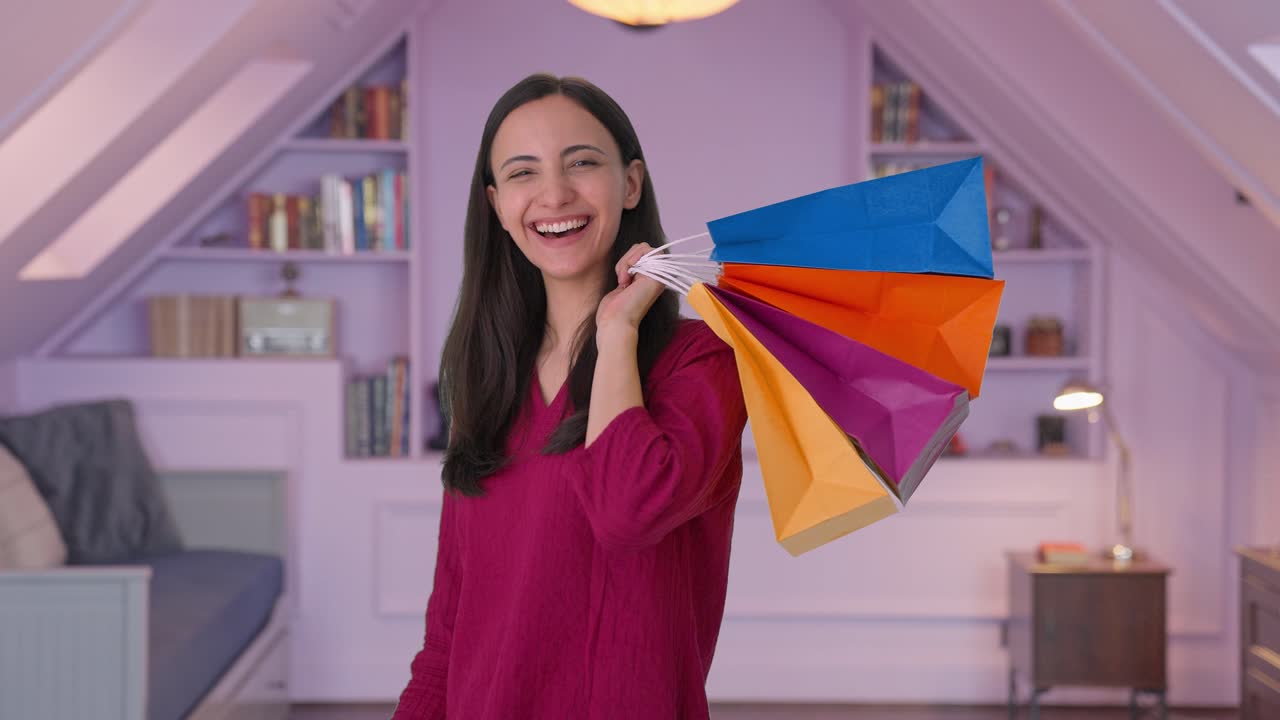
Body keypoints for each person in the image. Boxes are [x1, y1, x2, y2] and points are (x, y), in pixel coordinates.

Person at [391, 73, 748, 719]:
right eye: (523, 172)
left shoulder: (701, 361)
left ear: (630, 183)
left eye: (581, 162)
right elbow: (450, 631)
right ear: (498, 204)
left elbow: (627, 513)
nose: (554, 193)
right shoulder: (487, 374)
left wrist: (616, 333)